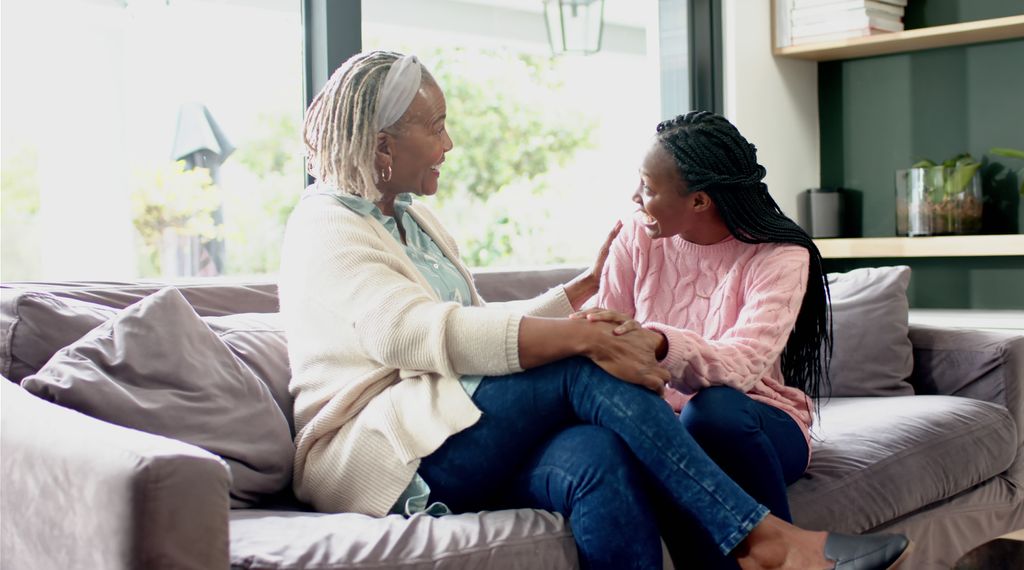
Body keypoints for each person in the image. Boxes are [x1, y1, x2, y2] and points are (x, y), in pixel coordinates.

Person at [278, 50, 910, 570]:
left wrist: (578, 294)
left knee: (595, 457)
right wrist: (582, 338)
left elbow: (471, 321)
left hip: (444, 419)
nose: (449, 140)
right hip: (381, 447)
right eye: (435, 125)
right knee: (585, 366)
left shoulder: (413, 221)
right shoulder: (327, 226)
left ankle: (755, 548)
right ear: (385, 143)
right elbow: (417, 335)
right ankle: (763, 540)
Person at [578, 110, 833, 567]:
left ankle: (784, 555)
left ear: (698, 201)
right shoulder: (636, 235)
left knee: (710, 411)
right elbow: (602, 331)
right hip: (663, 423)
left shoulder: (779, 255)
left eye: (649, 188)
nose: (635, 197)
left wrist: (657, 343)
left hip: (757, 418)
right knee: (643, 444)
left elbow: (742, 365)